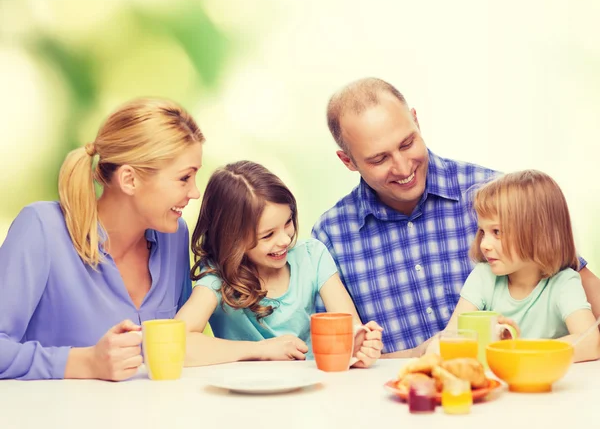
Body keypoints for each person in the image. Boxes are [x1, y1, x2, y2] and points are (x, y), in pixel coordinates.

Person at [312, 77, 600, 357]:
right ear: (347, 160)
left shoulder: (494, 197)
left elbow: (574, 283)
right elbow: (335, 358)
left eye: (407, 143)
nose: (402, 168)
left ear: (416, 121)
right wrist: (418, 354)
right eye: (379, 159)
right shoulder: (330, 237)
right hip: (396, 398)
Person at [0, 98, 205, 380]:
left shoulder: (174, 236)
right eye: (184, 178)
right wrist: (84, 362)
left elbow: (184, 346)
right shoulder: (42, 229)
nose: (195, 192)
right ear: (129, 180)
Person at [176, 160, 383, 367]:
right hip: (245, 394)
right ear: (232, 239)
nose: (285, 240)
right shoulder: (218, 277)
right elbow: (176, 344)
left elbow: (350, 329)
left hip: (309, 389)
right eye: (268, 235)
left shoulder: (312, 256)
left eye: (288, 222)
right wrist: (260, 350)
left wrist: (359, 348)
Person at [434, 170, 600, 363]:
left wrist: (517, 349)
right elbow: (450, 337)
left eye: (496, 231)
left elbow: (591, 343)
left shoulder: (564, 283)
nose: (484, 244)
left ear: (538, 234)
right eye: (482, 231)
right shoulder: (483, 277)